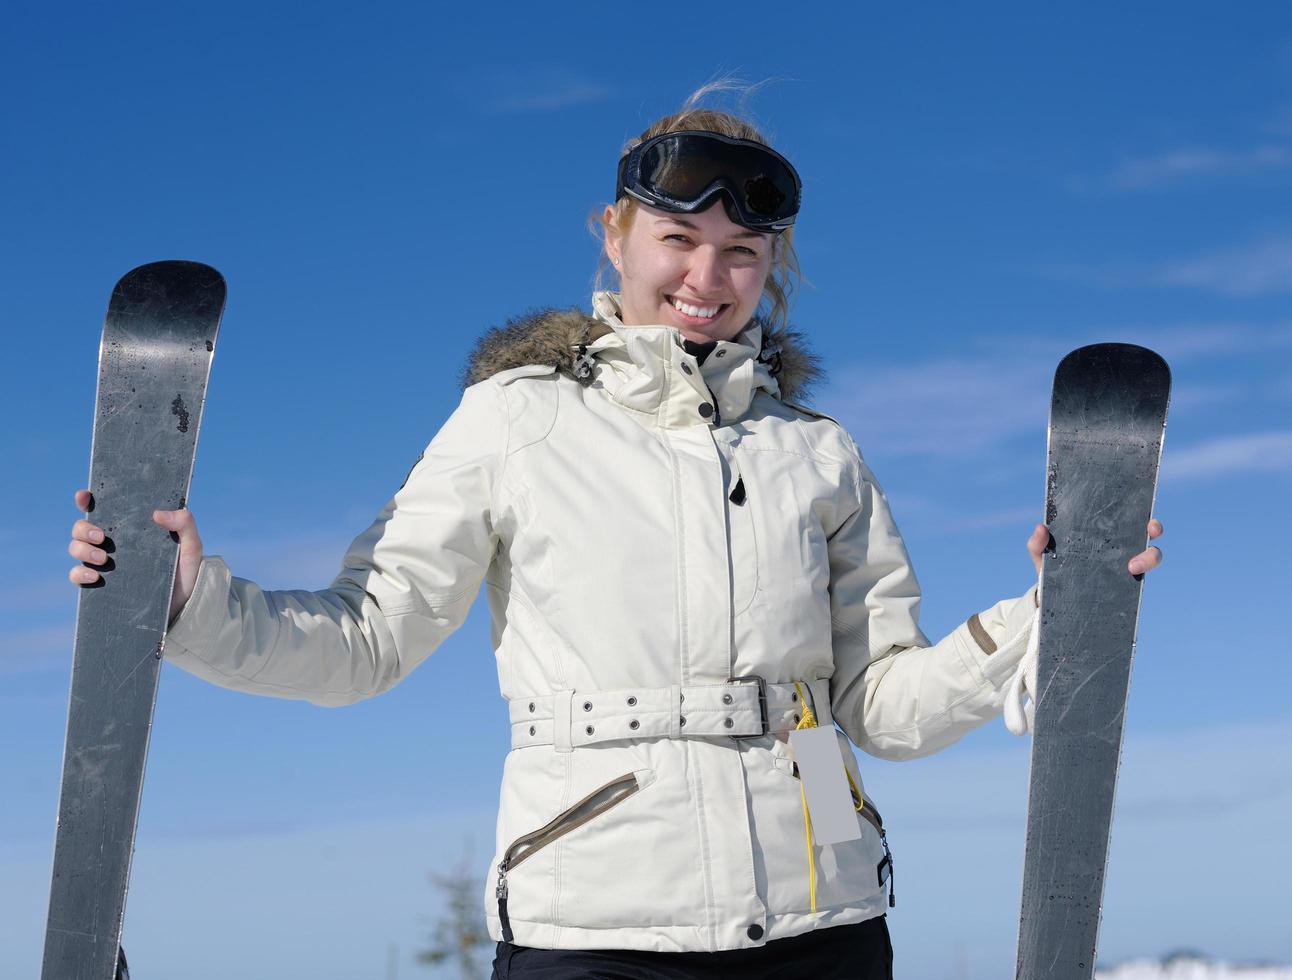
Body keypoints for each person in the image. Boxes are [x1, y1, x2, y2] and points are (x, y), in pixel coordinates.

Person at [66, 96, 1164, 979]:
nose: (707, 277)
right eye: (679, 238)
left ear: (771, 264)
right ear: (616, 232)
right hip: (598, 922)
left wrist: (1040, 621)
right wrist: (186, 606)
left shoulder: (817, 452)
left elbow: (876, 706)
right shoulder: (519, 418)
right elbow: (367, 638)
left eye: (742, 251)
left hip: (829, 914)